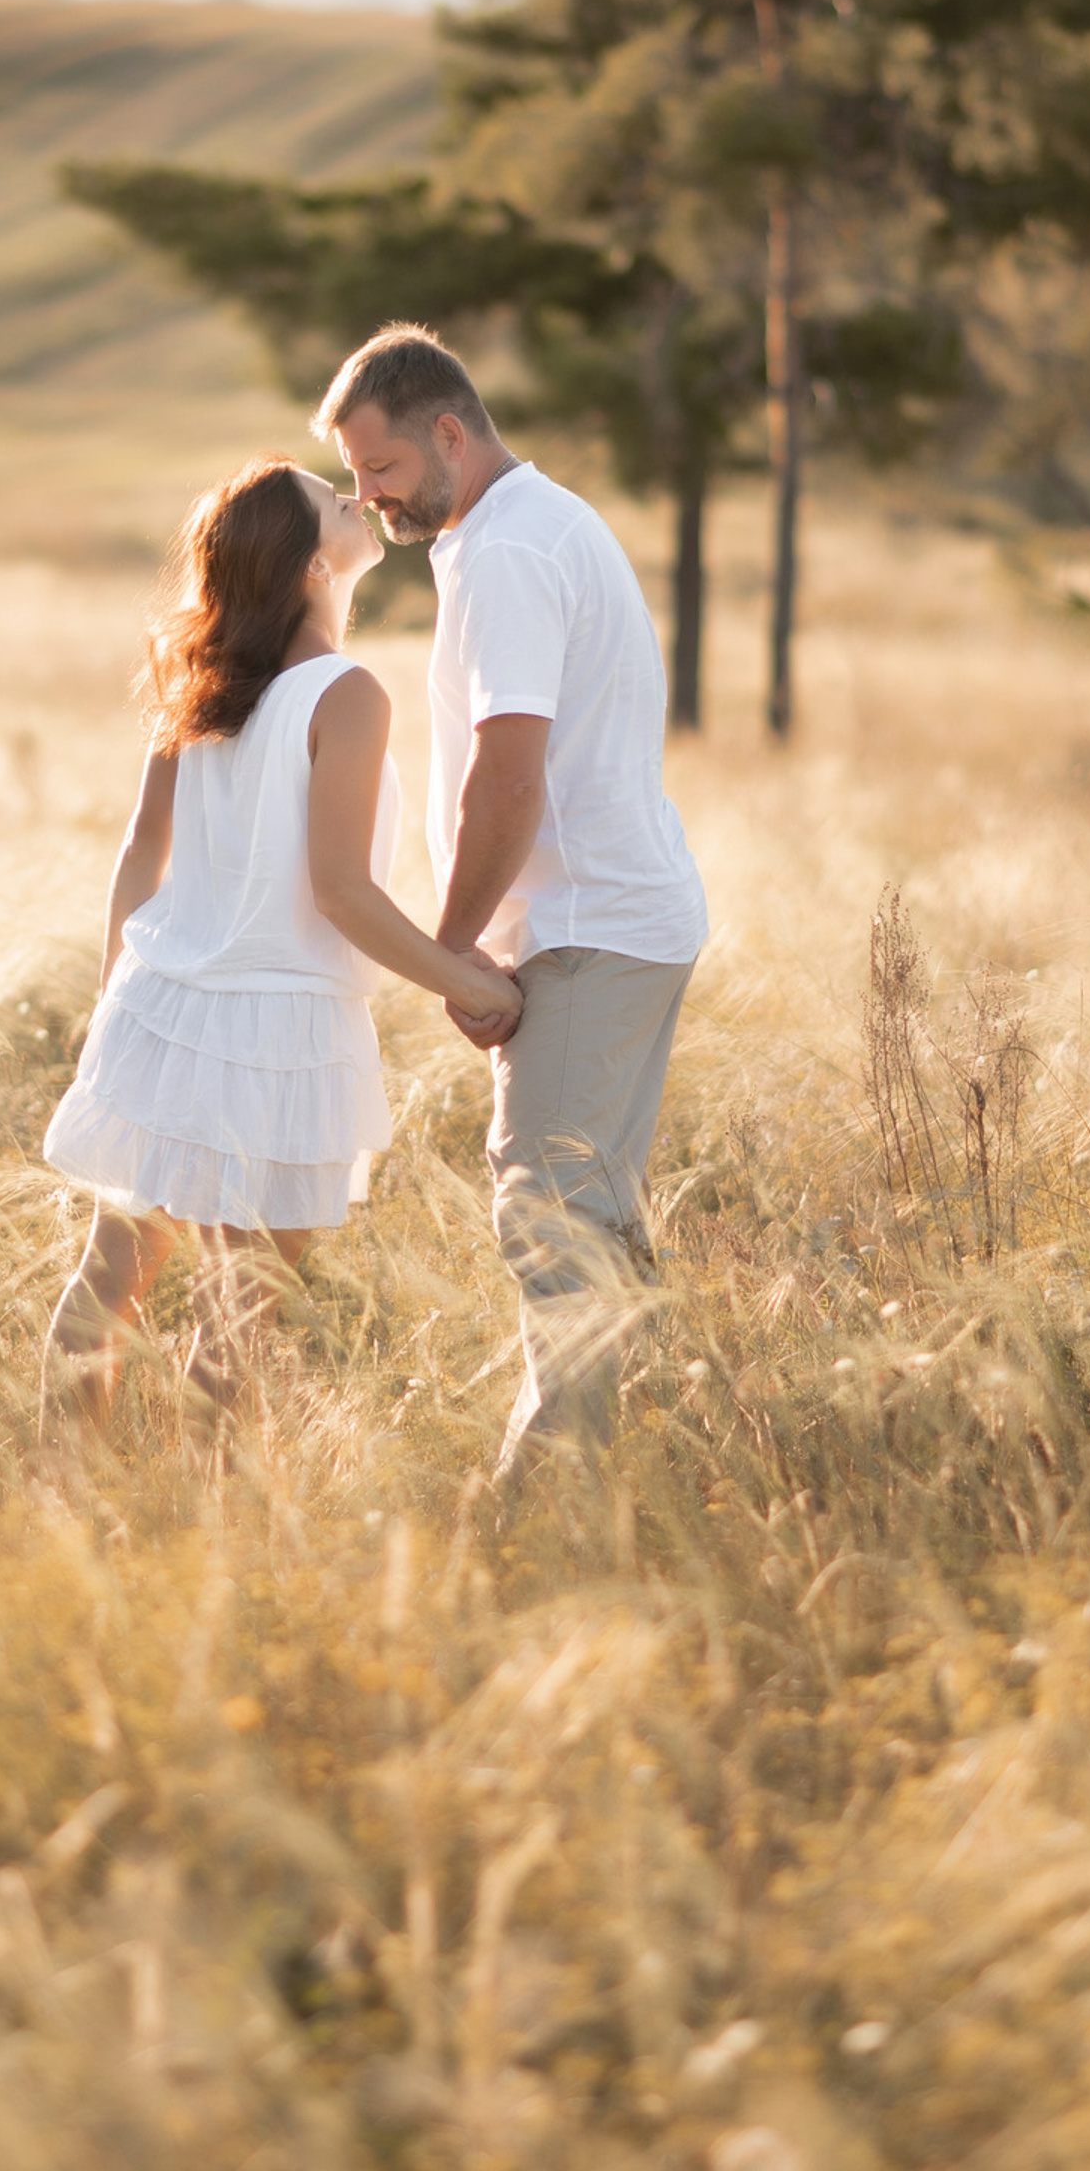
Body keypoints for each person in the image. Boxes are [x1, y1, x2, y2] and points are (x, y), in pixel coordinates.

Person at [42, 455, 524, 1425]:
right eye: (332, 500)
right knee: (236, 1324)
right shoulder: (346, 694)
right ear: (311, 563)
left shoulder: (201, 678)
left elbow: (142, 853)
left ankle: (68, 1503)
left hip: (160, 1009)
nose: (355, 497)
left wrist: (113, 1005)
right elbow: (340, 891)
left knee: (109, 1285)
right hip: (279, 1031)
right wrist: (474, 987)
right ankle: (214, 1547)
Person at [314, 325, 708, 1488]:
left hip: (583, 933)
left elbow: (510, 771)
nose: (368, 498)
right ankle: (641, 1478)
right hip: (627, 918)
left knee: (552, 1230)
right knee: (594, 1229)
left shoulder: (503, 551)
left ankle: (542, 1513)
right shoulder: (540, 522)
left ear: (448, 431)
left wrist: (448, 951)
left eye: (381, 469)